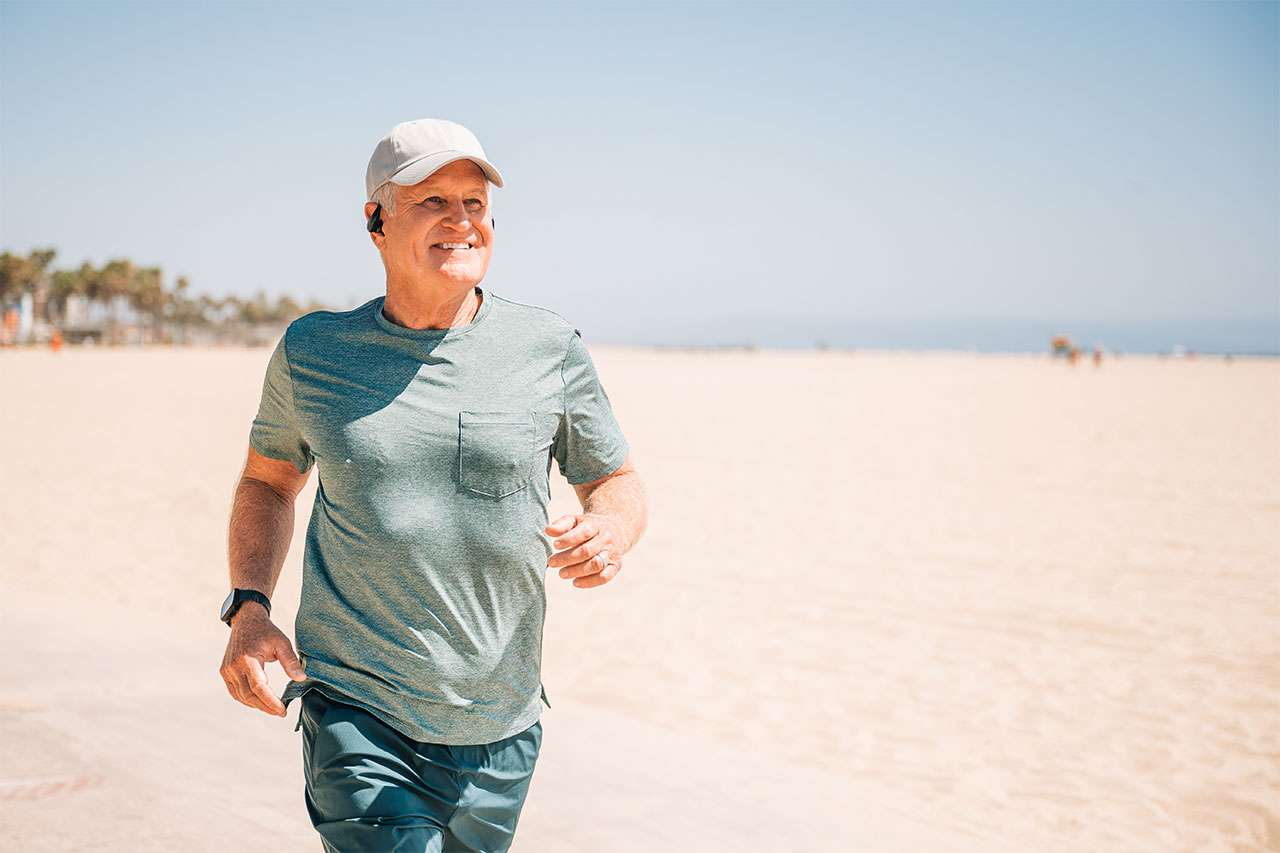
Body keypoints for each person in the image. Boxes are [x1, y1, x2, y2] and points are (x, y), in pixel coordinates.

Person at [217, 118, 647, 852]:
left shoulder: (548, 348)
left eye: (474, 203)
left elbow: (616, 479)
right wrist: (249, 607)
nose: (461, 221)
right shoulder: (314, 353)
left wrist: (611, 530)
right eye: (433, 201)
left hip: (502, 725)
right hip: (360, 709)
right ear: (376, 220)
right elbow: (267, 482)